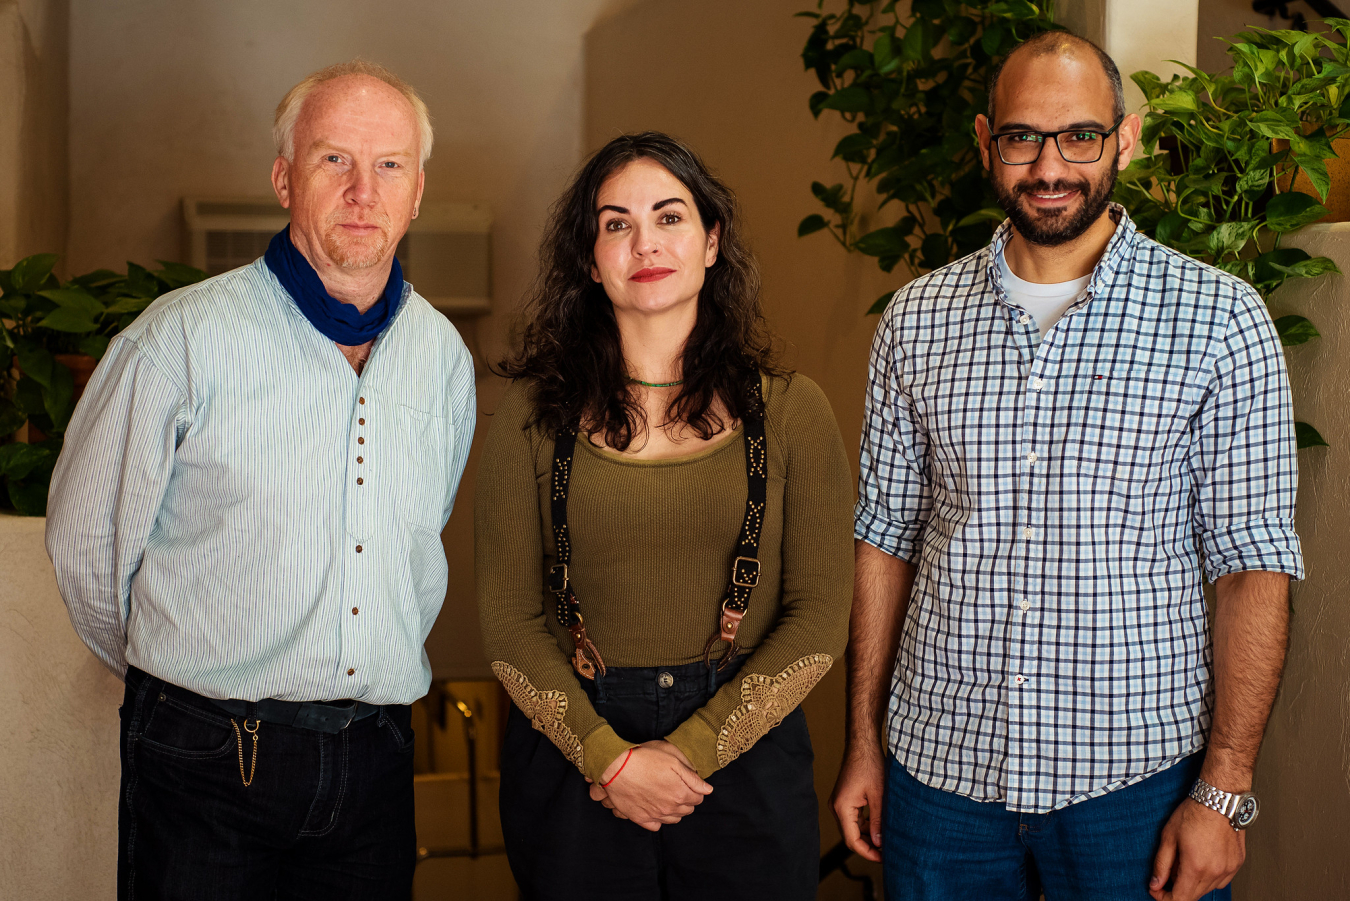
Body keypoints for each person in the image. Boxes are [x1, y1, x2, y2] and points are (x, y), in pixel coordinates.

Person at [832, 31, 1303, 901]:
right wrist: (864, 743)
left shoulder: (1221, 321)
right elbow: (884, 541)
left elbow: (1252, 566)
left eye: (1079, 135)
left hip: (1139, 781)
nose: (1050, 166)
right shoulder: (914, 321)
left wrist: (1226, 789)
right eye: (1022, 138)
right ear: (986, 143)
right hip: (940, 775)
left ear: (1124, 138)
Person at [46, 60, 476, 899]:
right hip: (205, 756)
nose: (363, 190)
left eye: (389, 164)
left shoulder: (443, 360)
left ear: (418, 190)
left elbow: (412, 554)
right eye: (333, 161)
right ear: (284, 179)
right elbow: (86, 550)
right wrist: (183, 675)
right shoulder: (179, 340)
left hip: (376, 762)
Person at [475, 131, 853, 899]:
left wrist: (696, 748)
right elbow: (508, 622)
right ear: (589, 258)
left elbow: (819, 618)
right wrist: (607, 758)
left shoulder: (792, 410)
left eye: (669, 216)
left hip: (744, 760)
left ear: (712, 241)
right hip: (573, 758)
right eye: (616, 223)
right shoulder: (529, 414)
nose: (644, 241)